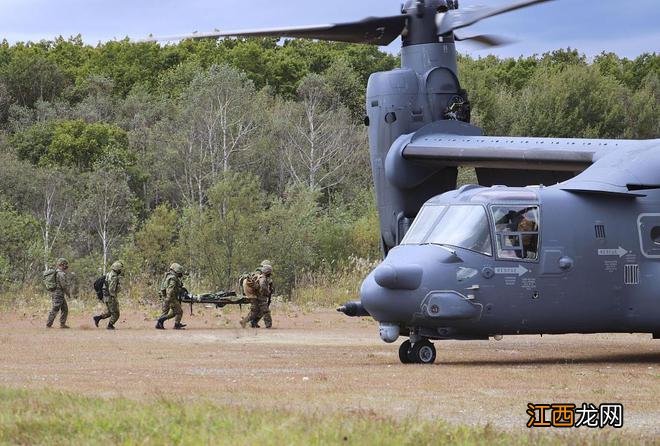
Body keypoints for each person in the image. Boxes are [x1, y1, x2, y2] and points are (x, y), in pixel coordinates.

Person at [240, 263, 274, 329]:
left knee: (256, 311)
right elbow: (263, 288)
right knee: (264, 311)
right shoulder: (263, 279)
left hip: (256, 296)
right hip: (259, 297)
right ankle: (268, 325)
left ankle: (247, 322)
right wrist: (268, 292)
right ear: (268, 272)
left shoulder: (261, 277)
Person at [93, 261, 123, 330]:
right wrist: (113, 296)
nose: (120, 270)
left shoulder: (109, 274)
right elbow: (111, 288)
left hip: (106, 296)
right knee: (116, 313)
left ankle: (97, 318)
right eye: (120, 269)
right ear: (117, 269)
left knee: (110, 312)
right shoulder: (114, 277)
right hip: (110, 297)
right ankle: (110, 326)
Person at [155, 263, 186, 330]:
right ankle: (176, 325)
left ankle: (159, 324)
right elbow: (170, 289)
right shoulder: (173, 278)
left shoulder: (167, 276)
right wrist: (169, 299)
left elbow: (164, 287)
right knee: (179, 311)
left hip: (165, 297)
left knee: (165, 312)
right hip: (171, 298)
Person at [46, 258, 71, 329]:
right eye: (65, 264)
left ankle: (62, 324)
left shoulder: (57, 272)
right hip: (58, 294)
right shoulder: (61, 274)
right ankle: (48, 324)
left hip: (58, 293)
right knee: (55, 309)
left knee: (65, 309)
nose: (66, 266)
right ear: (62, 265)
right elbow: (64, 285)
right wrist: (68, 293)